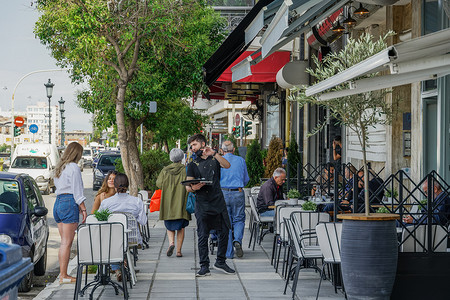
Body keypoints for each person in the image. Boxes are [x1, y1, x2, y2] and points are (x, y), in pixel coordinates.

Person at [185, 133, 234, 277]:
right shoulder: (192, 164)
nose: (192, 148)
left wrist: (214, 153)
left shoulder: (214, 158)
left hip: (218, 201)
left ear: (202, 144)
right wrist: (194, 188)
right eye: (191, 145)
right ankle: (204, 266)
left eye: (194, 145)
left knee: (225, 232)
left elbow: (227, 165)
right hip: (202, 203)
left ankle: (220, 261)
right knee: (202, 235)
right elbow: (188, 185)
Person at [99, 173, 148, 281]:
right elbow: (143, 221)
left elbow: (99, 220)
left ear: (115, 187)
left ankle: (118, 269)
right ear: (128, 185)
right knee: (124, 244)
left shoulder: (106, 203)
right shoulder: (136, 201)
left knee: (112, 243)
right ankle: (124, 264)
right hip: (132, 238)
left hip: (113, 239)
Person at [53, 142, 87, 284]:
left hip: (59, 202)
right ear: (77, 153)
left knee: (64, 242)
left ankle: (63, 274)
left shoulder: (60, 167)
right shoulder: (73, 167)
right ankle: (63, 276)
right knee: (67, 243)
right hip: (68, 202)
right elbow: (77, 191)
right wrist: (83, 209)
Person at [156, 148, 191, 258]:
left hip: (168, 202)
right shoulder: (185, 170)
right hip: (181, 202)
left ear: (171, 158)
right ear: (182, 158)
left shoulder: (165, 170)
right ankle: (179, 251)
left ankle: (171, 243)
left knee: (170, 226)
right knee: (181, 227)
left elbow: (159, 184)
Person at [219, 140, 249, 259]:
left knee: (226, 222)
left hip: (224, 192)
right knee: (239, 219)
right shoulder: (241, 160)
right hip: (238, 192)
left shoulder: (219, 161)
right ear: (234, 149)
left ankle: (229, 253)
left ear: (222, 150)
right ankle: (237, 240)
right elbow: (246, 179)